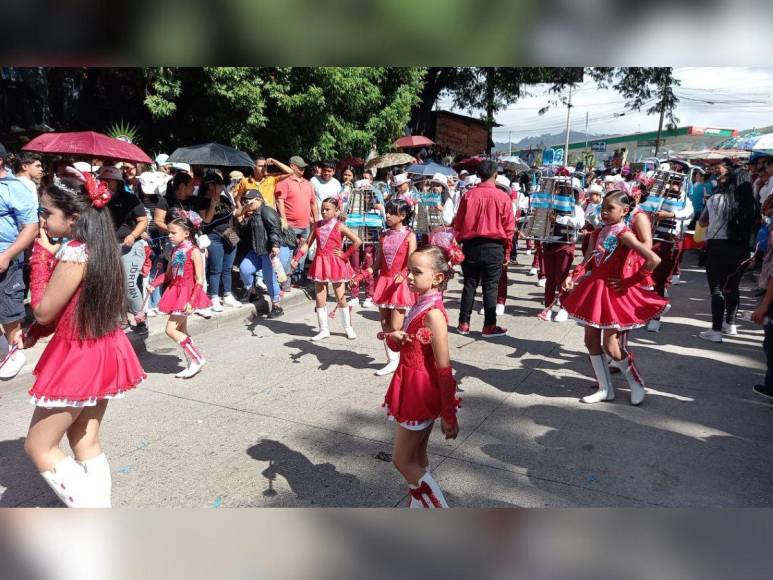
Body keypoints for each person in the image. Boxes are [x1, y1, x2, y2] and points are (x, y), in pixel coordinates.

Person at [21, 169, 145, 508]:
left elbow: (44, 311)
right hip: (102, 347)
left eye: (47, 213)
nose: (42, 221)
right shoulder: (102, 245)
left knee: (39, 447)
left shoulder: (75, 251)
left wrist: (41, 259)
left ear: (74, 217)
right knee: (85, 441)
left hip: (78, 356)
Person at [560, 190, 667, 405]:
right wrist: (572, 276)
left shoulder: (624, 234)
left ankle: (636, 383)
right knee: (590, 340)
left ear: (625, 211)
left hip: (613, 291)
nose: (605, 213)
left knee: (611, 345)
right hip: (593, 289)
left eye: (610, 209)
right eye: (603, 209)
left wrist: (630, 281)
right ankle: (604, 388)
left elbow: (653, 259)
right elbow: (588, 260)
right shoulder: (596, 233)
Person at [382, 245, 460, 508]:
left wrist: (449, 414)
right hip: (411, 384)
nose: (410, 277)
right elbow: (400, 344)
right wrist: (394, 336)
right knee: (417, 459)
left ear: (437, 278)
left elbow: (444, 367)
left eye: (417, 272)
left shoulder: (434, 314)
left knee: (402, 461)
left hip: (419, 392)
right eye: (409, 271)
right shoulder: (418, 305)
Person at [452, 160, 515, 337]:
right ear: (495, 175)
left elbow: (459, 223)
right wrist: (508, 250)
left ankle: (463, 323)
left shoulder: (468, 195)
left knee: (469, 284)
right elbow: (509, 229)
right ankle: (489, 325)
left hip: (471, 245)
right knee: (491, 286)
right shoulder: (503, 197)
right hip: (494, 247)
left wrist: (458, 243)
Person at [357, 198, 417, 376]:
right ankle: (392, 360)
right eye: (388, 212)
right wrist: (361, 276)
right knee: (384, 323)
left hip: (399, 285)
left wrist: (405, 273)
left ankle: (403, 358)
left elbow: (412, 261)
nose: (388, 215)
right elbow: (377, 264)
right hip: (384, 281)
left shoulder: (410, 236)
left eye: (392, 213)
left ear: (403, 216)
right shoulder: (383, 235)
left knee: (396, 325)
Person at [698, 167, 756, 343]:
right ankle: (730, 324)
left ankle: (716, 330)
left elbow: (702, 221)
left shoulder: (716, 199)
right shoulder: (751, 204)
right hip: (742, 249)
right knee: (733, 286)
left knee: (717, 288)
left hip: (718, 248)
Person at [151, 211, 212, 378]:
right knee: (182, 330)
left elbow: (199, 280)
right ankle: (192, 362)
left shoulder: (194, 252)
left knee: (170, 330)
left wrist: (192, 301)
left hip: (187, 294)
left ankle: (197, 359)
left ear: (186, 233)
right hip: (175, 292)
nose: (169, 235)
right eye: (168, 232)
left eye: (173, 232)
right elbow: (169, 275)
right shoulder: (174, 251)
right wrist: (154, 284)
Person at [291, 197, 361, 340]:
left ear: (336, 211)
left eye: (327, 209)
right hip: (320, 262)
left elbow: (357, 241)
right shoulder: (317, 225)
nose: (323, 211)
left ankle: (348, 327)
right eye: (322, 208)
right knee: (319, 296)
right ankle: (323, 329)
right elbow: (307, 244)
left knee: (340, 297)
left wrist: (345, 254)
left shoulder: (339, 225)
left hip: (335, 263)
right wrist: (297, 258)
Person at [0, 144, 39, 378]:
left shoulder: (15, 189)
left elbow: (30, 228)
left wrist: (6, 255)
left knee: (8, 311)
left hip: (6, 258)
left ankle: (15, 351)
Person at [99, 165, 150, 336]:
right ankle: (119, 319)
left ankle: (140, 318)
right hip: (108, 246)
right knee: (112, 285)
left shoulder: (130, 198)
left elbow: (143, 220)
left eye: (108, 180)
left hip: (130, 246)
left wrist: (133, 235)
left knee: (128, 283)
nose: (104, 182)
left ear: (117, 181)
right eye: (102, 179)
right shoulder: (97, 200)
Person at [537, 178, 585, 323]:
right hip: (549, 244)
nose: (560, 192)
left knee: (563, 278)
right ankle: (548, 308)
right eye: (558, 189)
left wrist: (559, 218)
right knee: (550, 280)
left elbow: (579, 223)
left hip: (565, 245)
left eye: (565, 189)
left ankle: (564, 308)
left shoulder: (576, 208)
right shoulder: (549, 206)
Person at [236, 190, 286, 318]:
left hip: (268, 251)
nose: (246, 203)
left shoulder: (266, 211)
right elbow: (245, 233)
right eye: (245, 201)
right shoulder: (253, 215)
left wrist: (275, 245)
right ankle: (252, 292)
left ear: (258, 200)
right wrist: (241, 221)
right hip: (256, 251)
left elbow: (275, 228)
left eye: (249, 200)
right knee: (244, 269)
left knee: (270, 279)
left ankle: (276, 306)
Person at [200, 172, 240, 311]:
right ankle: (214, 297)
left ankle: (228, 295)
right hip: (214, 236)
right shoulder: (202, 200)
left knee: (228, 268)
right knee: (215, 269)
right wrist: (213, 202)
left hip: (230, 233)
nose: (220, 187)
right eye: (217, 185)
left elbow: (234, 213)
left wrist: (231, 198)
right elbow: (206, 220)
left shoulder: (225, 198)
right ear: (210, 186)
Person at [275, 156, 319, 284]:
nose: (303, 169)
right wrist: (283, 219)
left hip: (305, 224)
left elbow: (313, 203)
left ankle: (298, 277)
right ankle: (286, 280)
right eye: (300, 167)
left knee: (302, 252)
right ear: (292, 166)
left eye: (304, 167)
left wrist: (316, 221)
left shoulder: (308, 183)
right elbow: (280, 201)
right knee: (287, 254)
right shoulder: (284, 182)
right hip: (290, 225)